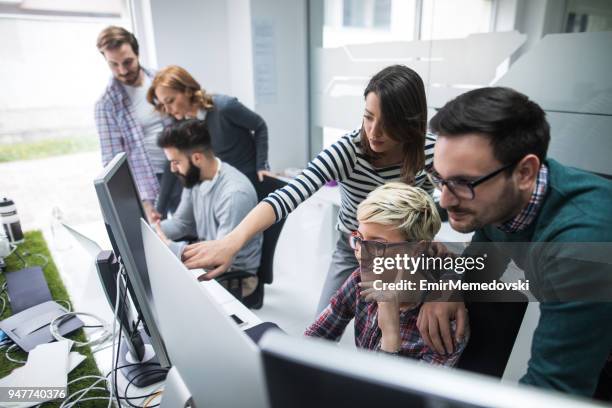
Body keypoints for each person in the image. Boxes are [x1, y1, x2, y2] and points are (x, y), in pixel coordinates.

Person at [177, 65, 437, 315]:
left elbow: (459, 205)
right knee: (319, 334)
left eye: (388, 122)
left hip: (405, 252)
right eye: (368, 117)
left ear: (409, 122)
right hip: (353, 249)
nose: (374, 131)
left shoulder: (431, 151)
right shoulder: (349, 150)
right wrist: (231, 242)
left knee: (394, 335)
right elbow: (288, 195)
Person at [421, 86, 612, 396]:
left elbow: (551, 391)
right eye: (440, 178)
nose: (445, 200)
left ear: (525, 172)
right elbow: (489, 236)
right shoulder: (505, 200)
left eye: (463, 183)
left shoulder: (581, 246)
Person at [305, 182, 467, 364]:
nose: (361, 253)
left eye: (378, 244)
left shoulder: (444, 323)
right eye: (359, 239)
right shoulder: (360, 279)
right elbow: (314, 339)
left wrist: (391, 335)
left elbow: (394, 393)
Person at [154, 119, 263, 296]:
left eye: (176, 162)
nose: (173, 169)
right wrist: (149, 230)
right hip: (209, 257)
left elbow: (219, 259)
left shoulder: (234, 194)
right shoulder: (195, 177)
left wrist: (169, 246)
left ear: (197, 158)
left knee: (163, 291)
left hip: (235, 277)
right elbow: (182, 223)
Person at [94, 26, 179, 220]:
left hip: (180, 170)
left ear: (137, 53)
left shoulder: (161, 81)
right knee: (162, 239)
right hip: (148, 183)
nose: (122, 70)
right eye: (114, 64)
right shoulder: (106, 104)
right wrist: (142, 202)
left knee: (194, 232)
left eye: (128, 62)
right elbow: (112, 162)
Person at [147, 65, 271, 186]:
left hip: (249, 181)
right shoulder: (183, 123)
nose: (168, 110)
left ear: (188, 91)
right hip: (223, 183)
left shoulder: (225, 106)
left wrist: (262, 165)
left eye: (170, 101)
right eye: (163, 104)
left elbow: (259, 125)